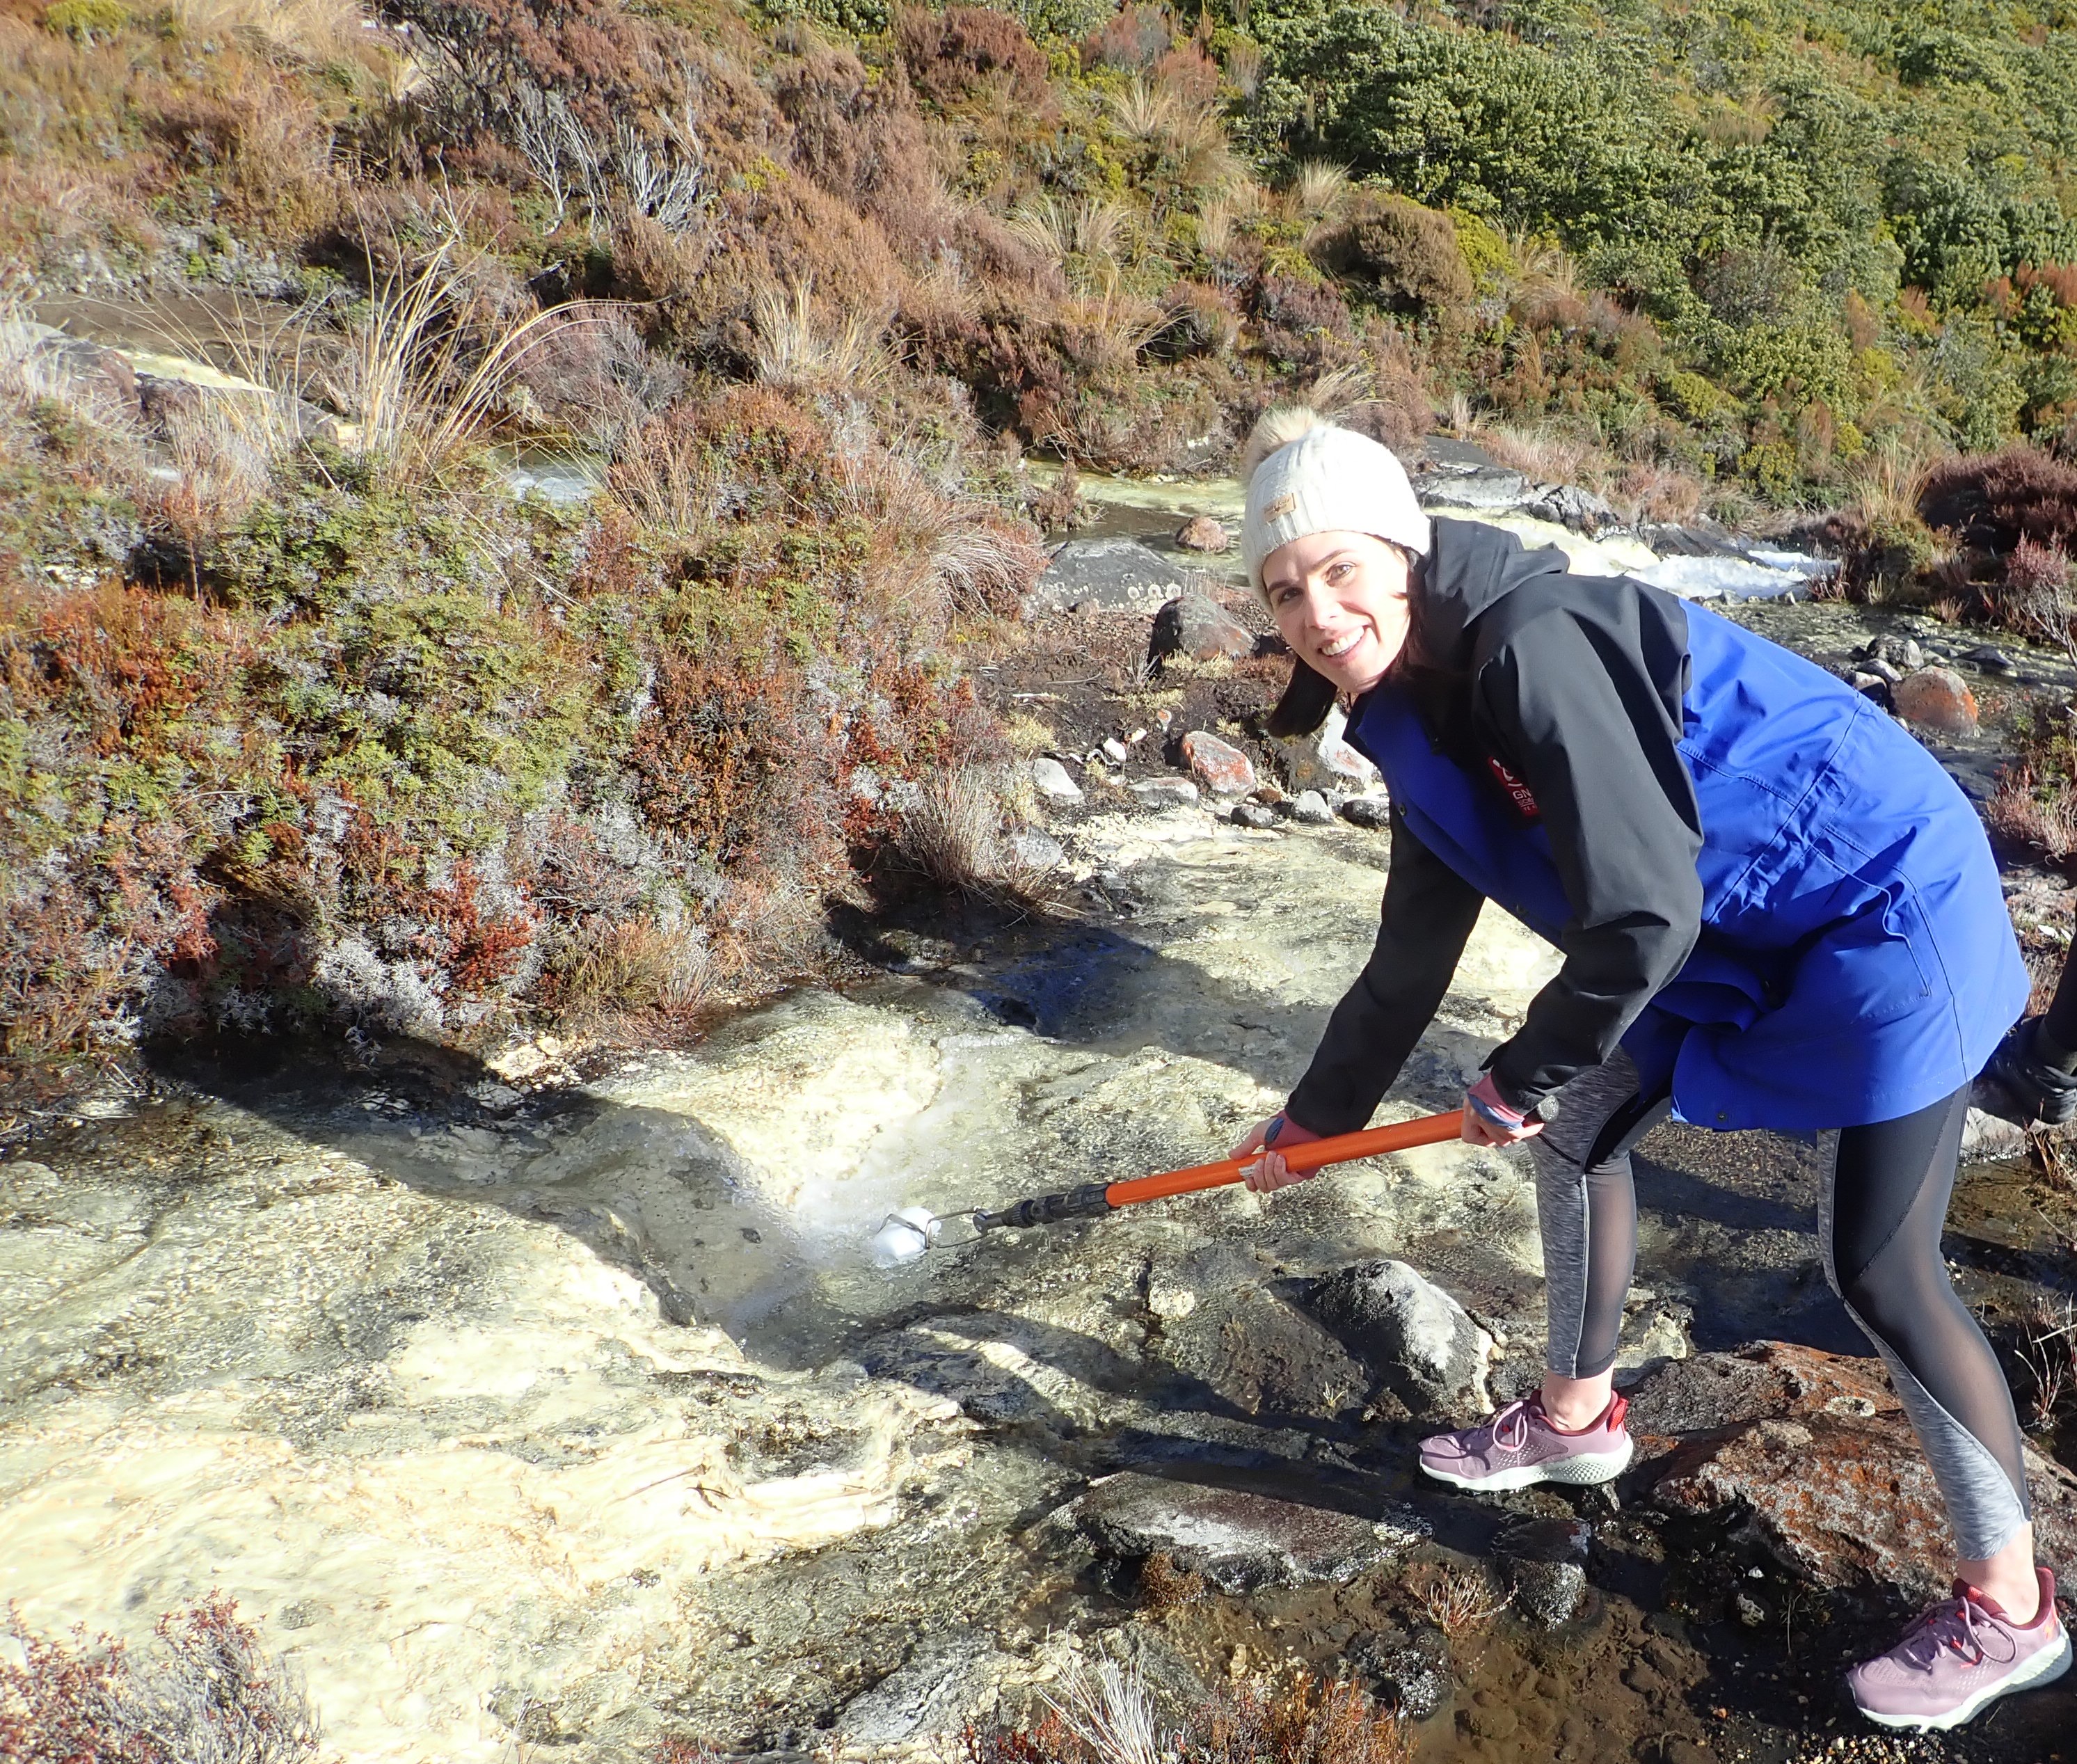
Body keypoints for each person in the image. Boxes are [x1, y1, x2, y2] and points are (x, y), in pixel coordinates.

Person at [1224, 408, 2071, 1731]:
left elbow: (1638, 919)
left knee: (1878, 1265)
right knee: (1581, 1127)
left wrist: (1517, 1070)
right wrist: (1305, 1118)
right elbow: (1405, 957)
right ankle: (1575, 1417)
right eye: (1284, 591)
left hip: (1884, 908)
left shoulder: (1531, 646)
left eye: (1339, 571)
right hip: (1744, 919)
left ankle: (2013, 1611)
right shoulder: (1402, 704)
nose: (1318, 612)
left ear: (1402, 550)